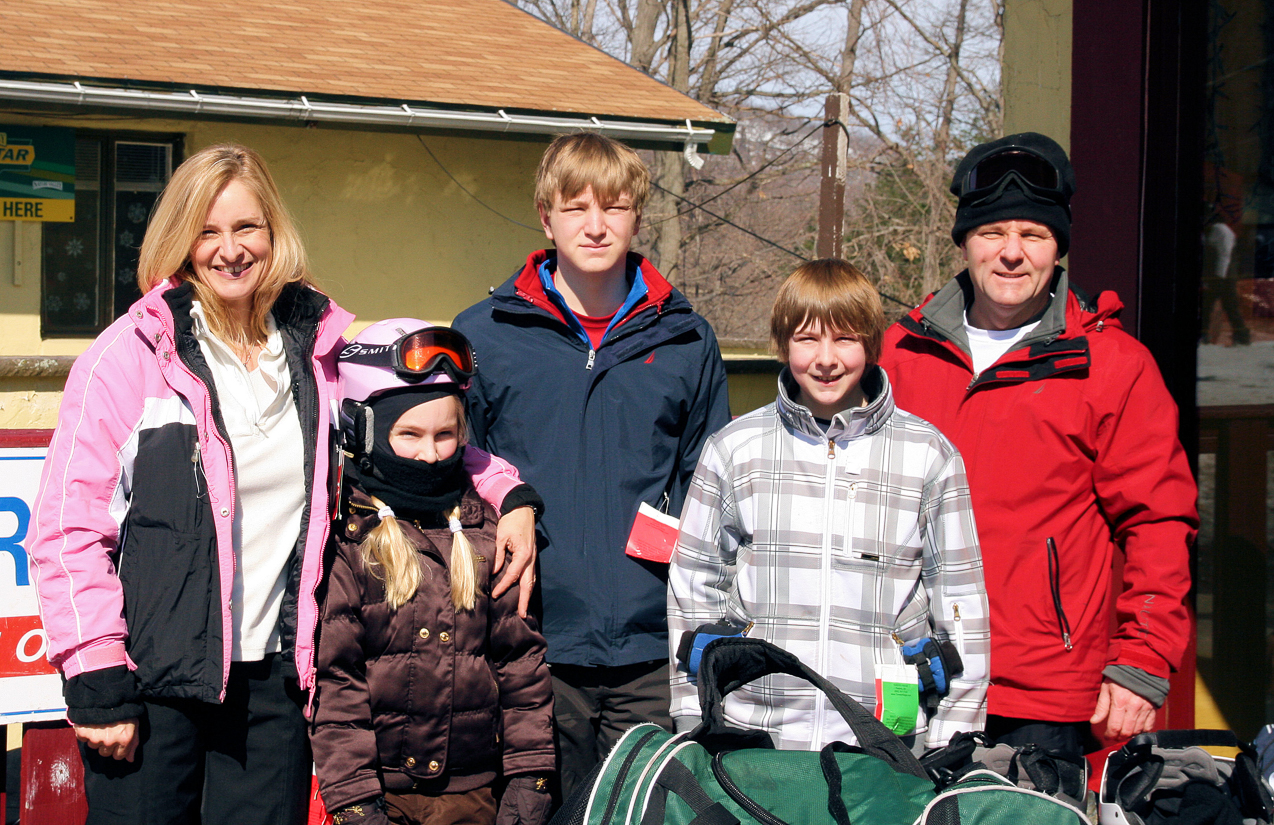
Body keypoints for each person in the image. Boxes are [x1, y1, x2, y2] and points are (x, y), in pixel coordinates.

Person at [28, 144, 538, 825]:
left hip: (272, 685)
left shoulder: (318, 349)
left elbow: (419, 438)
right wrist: (95, 678)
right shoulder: (128, 358)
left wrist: (511, 495)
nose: (229, 249)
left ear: (274, 233)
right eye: (207, 231)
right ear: (180, 239)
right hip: (153, 683)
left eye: (247, 228)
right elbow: (68, 528)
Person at [878, 132, 1197, 759]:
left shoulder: (1112, 366)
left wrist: (1142, 659)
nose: (1012, 254)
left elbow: (1159, 521)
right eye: (994, 233)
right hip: (910, 677)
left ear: (1059, 248)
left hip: (1044, 692)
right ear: (966, 242)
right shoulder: (901, 353)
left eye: (1035, 235)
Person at [454, 132, 731, 797]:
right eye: (576, 207)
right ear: (546, 218)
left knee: (643, 809)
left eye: (613, 207)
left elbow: (710, 484)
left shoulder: (686, 337)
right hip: (529, 638)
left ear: (638, 216)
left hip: (651, 648)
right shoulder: (485, 332)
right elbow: (459, 478)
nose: (596, 225)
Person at [667, 259, 989, 750]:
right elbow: (693, 587)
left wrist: (955, 738)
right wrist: (696, 719)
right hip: (756, 730)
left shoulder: (928, 455)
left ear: (872, 344)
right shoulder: (734, 450)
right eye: (807, 339)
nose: (826, 359)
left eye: (845, 339)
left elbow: (961, 598)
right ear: (782, 344)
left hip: (884, 739)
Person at [311, 320, 554, 825]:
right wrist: (356, 804)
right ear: (364, 430)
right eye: (410, 434)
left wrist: (529, 786)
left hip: (476, 796)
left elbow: (521, 666)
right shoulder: (344, 535)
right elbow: (337, 681)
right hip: (378, 794)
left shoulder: (488, 528)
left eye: (446, 435)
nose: (431, 453)